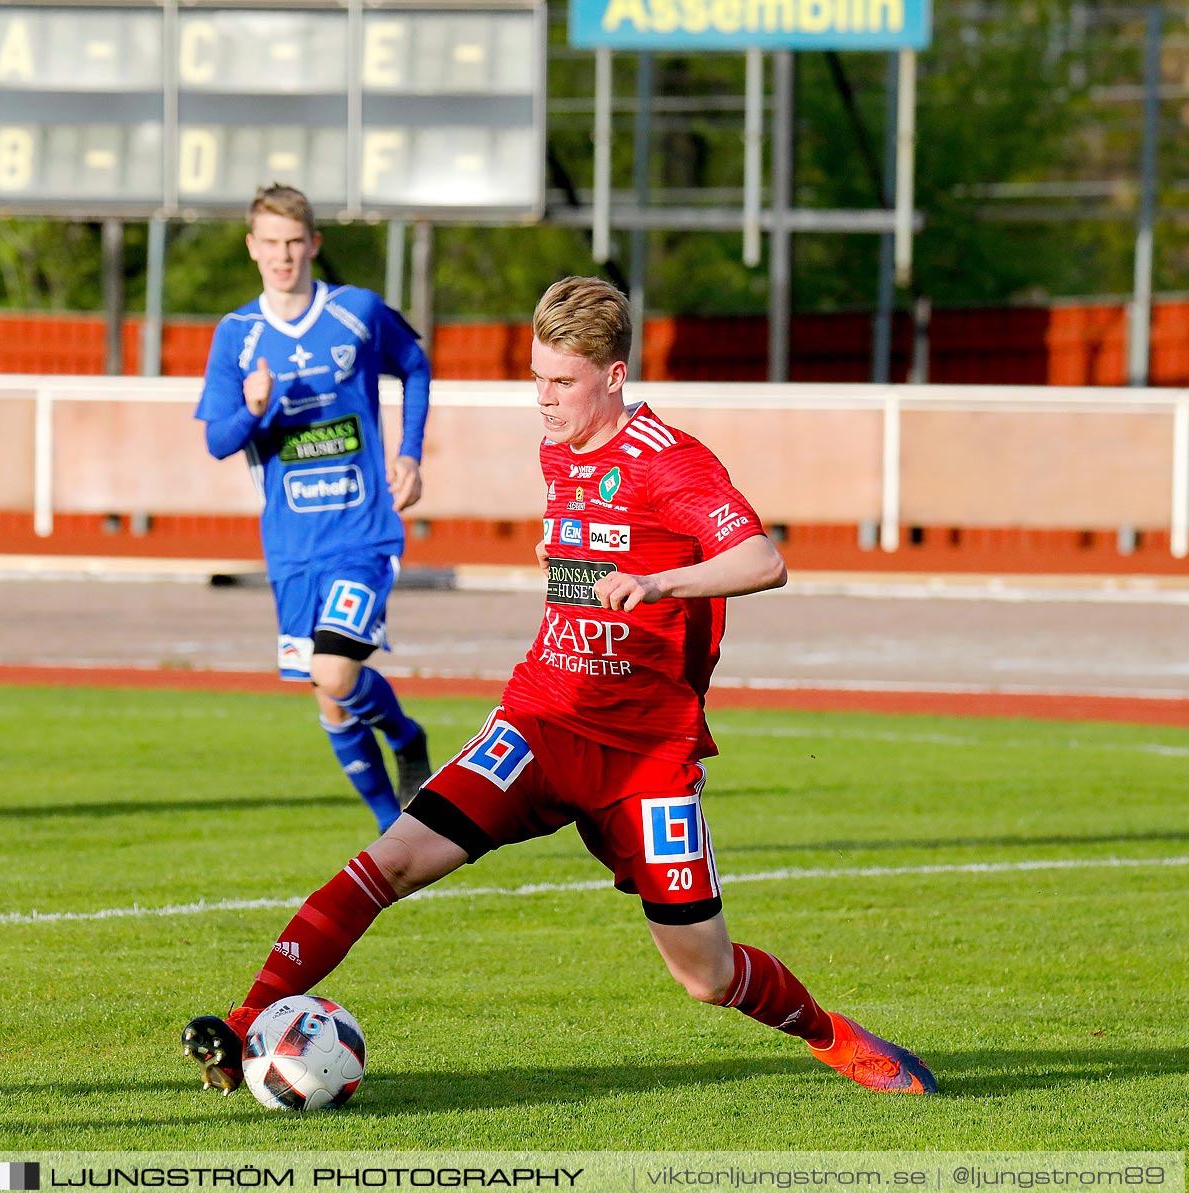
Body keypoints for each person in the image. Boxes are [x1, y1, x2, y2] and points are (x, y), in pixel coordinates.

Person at [182, 277, 936, 1095]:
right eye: (536, 378)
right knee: (390, 861)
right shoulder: (558, 445)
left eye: (561, 382)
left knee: (706, 977)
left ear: (613, 376)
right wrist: (569, 570)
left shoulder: (671, 464)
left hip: (645, 760)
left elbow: (764, 562)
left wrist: (660, 584)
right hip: (539, 724)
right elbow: (587, 559)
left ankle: (836, 1039)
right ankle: (247, 1021)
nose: (542, 400)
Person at [196, 184, 434, 833]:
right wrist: (250, 407)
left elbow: (415, 364)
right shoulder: (238, 335)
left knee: (334, 671)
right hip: (291, 545)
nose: (283, 256)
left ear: (314, 245)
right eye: (270, 243)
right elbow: (218, 441)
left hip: (361, 532)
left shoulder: (356, 311)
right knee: (330, 700)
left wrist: (410, 453)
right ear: (252, 248)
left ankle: (408, 738)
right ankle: (395, 830)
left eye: (294, 242)